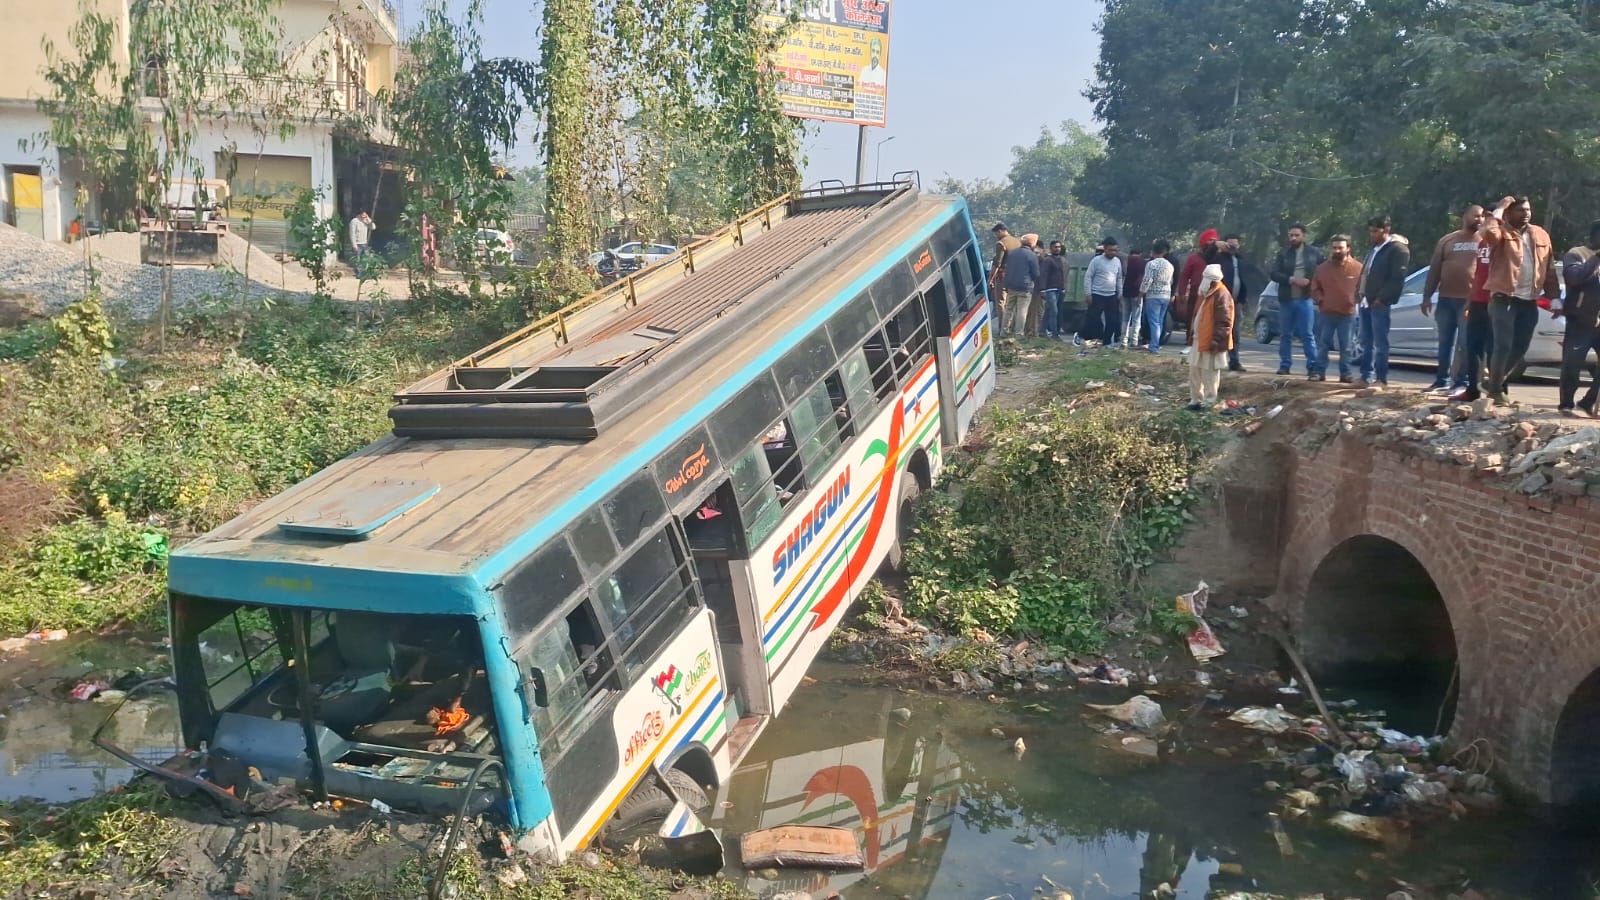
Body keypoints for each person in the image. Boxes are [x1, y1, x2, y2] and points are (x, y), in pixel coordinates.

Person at [1480, 196, 1561, 405]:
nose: (1525, 213)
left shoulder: (1541, 234)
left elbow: (1549, 267)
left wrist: (1554, 297)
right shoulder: (1501, 232)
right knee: (1503, 345)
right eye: (1519, 210)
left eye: (1528, 210)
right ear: (1508, 214)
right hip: (1504, 297)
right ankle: (1496, 391)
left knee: (1521, 347)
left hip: (1529, 300)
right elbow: (1487, 232)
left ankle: (1493, 382)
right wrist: (1500, 208)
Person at [1422, 204, 1485, 394]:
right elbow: (1434, 269)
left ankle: (1461, 382)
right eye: (1475, 216)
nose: (1479, 219)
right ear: (1464, 216)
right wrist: (1427, 295)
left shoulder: (1485, 239)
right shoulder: (1447, 240)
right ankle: (1441, 380)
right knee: (1444, 342)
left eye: (1482, 216)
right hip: (1446, 299)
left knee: (1465, 343)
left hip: (1470, 301)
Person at [1357, 215, 1410, 388]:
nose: (1371, 234)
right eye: (1370, 231)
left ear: (1386, 230)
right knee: (1366, 341)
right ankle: (1365, 377)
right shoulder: (1374, 249)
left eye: (1375, 231)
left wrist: (1382, 298)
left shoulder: (1397, 250)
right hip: (1366, 300)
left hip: (1379, 303)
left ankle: (1381, 379)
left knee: (1380, 343)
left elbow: (1397, 278)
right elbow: (1367, 272)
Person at [1268, 223, 1324, 377]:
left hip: (1305, 299)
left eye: (1296, 235)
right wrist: (1290, 279)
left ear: (1303, 236)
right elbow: (1273, 273)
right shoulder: (1283, 253)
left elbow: (1324, 271)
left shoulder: (1314, 253)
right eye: (1291, 235)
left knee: (1307, 334)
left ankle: (1312, 366)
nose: (1293, 238)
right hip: (1286, 299)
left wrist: (1310, 282)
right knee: (1285, 334)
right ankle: (1285, 365)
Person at [1558, 220, 1600, 417]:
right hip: (1580, 321)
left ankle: (1588, 401)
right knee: (1572, 365)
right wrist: (1596, 258)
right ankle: (1566, 404)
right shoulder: (1576, 254)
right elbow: (1574, 278)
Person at [1309, 234, 1362, 383]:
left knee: (1346, 346)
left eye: (1340, 247)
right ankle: (1319, 372)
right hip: (1327, 313)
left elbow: (1364, 288)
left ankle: (1346, 374)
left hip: (1348, 314)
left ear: (1348, 248)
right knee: (1323, 344)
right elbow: (1314, 289)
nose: (1337, 251)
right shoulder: (1322, 269)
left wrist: (1354, 301)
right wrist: (1322, 301)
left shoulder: (1358, 268)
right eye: (1334, 248)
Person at [1448, 236, 1494, 402]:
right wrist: (1469, 300)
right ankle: (1473, 389)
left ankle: (1497, 391)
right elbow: (1478, 273)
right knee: (1473, 347)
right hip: (1477, 301)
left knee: (1495, 348)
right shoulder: (1483, 243)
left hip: (1497, 301)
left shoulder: (1507, 241)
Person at [1186, 264, 1234, 410]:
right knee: (1194, 371)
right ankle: (1195, 401)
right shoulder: (1206, 293)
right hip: (1199, 340)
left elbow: (1225, 322)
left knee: (1210, 374)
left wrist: (1216, 340)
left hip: (1212, 342)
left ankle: (1209, 402)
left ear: (1212, 280)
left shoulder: (1222, 294)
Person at [1083, 237, 1125, 347]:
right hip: (1097, 294)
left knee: (1112, 321)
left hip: (1112, 295)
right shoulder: (1096, 261)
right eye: (1111, 250)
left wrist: (1120, 293)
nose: (1113, 253)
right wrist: (1088, 293)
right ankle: (1096, 339)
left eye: (1115, 250)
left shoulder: (1117, 261)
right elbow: (1088, 277)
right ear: (1105, 249)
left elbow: (1119, 278)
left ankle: (1107, 342)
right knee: (1094, 319)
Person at [1176, 228, 1219, 331]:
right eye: (1210, 240)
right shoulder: (1194, 258)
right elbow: (1185, 276)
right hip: (1196, 294)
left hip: (1213, 294)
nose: (1212, 243)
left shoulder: (1219, 258)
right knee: (1192, 317)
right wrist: (1181, 293)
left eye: (1214, 241)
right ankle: (1190, 339)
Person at [1218, 234, 1250, 371]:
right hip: (1221, 303)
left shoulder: (1241, 260)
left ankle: (1234, 360)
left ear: (1239, 246)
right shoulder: (1218, 259)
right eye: (1229, 245)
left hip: (1237, 302)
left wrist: (1243, 300)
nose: (1232, 247)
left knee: (1235, 333)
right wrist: (1216, 246)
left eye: (1234, 245)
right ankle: (1217, 361)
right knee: (1220, 331)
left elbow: (1245, 281)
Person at [1001, 233, 1041, 339]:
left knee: (1008, 309)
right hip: (1025, 287)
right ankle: (1019, 334)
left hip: (1011, 285)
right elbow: (1036, 273)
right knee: (1022, 310)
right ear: (1032, 243)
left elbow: (1007, 268)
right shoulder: (1032, 255)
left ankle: (1004, 332)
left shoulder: (1012, 253)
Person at [1140, 239, 1175, 353]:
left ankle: (1154, 347)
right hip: (1166, 295)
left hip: (1153, 296)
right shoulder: (1170, 265)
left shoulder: (1151, 264)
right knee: (1159, 321)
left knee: (1153, 322)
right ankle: (1156, 344)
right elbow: (1171, 281)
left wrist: (1141, 293)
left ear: (1153, 251)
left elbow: (1147, 280)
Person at [988, 223, 1023, 332]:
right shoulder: (1018, 242)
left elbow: (998, 263)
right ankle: (1013, 328)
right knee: (1013, 302)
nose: (996, 236)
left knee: (1001, 302)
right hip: (1017, 276)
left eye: (996, 233)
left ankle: (1003, 328)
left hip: (1004, 276)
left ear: (1000, 231)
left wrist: (990, 279)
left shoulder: (1001, 243)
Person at [1039, 240, 1066, 339]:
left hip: (1059, 289)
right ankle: (1055, 334)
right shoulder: (1048, 260)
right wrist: (1042, 289)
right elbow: (1043, 275)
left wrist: (1063, 287)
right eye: (1055, 247)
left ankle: (1042, 331)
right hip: (1050, 289)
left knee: (1049, 310)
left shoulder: (1062, 260)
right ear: (1051, 248)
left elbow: (1063, 275)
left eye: (1059, 247)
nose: (1057, 248)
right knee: (1054, 311)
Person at [1121, 248, 1147, 348]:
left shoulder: (1126, 260)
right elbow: (1143, 278)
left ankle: (1123, 341)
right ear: (1140, 253)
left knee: (1125, 318)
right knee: (1136, 318)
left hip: (1126, 292)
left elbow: (1122, 275)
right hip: (1137, 293)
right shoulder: (1142, 262)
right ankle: (1134, 341)